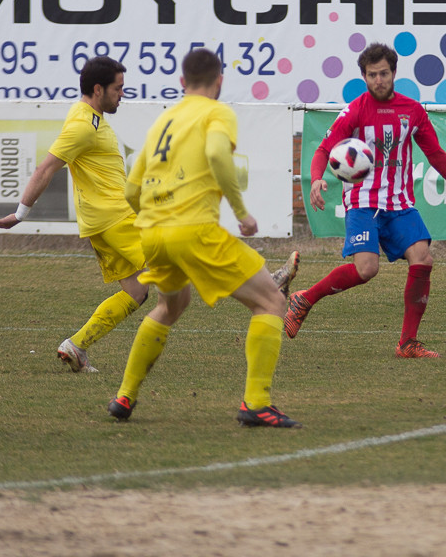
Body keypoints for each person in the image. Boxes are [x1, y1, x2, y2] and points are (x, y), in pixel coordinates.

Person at [0, 54, 300, 374]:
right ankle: (266, 284)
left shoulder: (87, 117)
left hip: (101, 223)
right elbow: (47, 167)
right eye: (118, 89)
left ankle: (77, 345)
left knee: (136, 292)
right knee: (180, 252)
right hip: (117, 219)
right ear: (98, 89)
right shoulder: (83, 125)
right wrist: (20, 214)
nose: (122, 94)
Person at [108, 48, 301, 428]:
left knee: (170, 306)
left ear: (182, 83)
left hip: (153, 234)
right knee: (272, 302)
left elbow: (132, 188)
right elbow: (215, 152)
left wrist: (155, 217)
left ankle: (124, 396)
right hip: (193, 229)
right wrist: (241, 212)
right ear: (219, 82)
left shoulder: (163, 121)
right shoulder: (217, 112)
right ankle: (256, 404)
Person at [284, 42, 446, 358]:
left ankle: (407, 343)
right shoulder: (355, 111)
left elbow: (436, 155)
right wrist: (315, 179)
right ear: (364, 77)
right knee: (366, 270)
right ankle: (305, 299)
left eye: (384, 73)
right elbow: (324, 150)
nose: (379, 80)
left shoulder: (412, 111)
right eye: (372, 75)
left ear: (394, 73)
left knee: (423, 260)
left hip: (400, 204)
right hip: (362, 202)